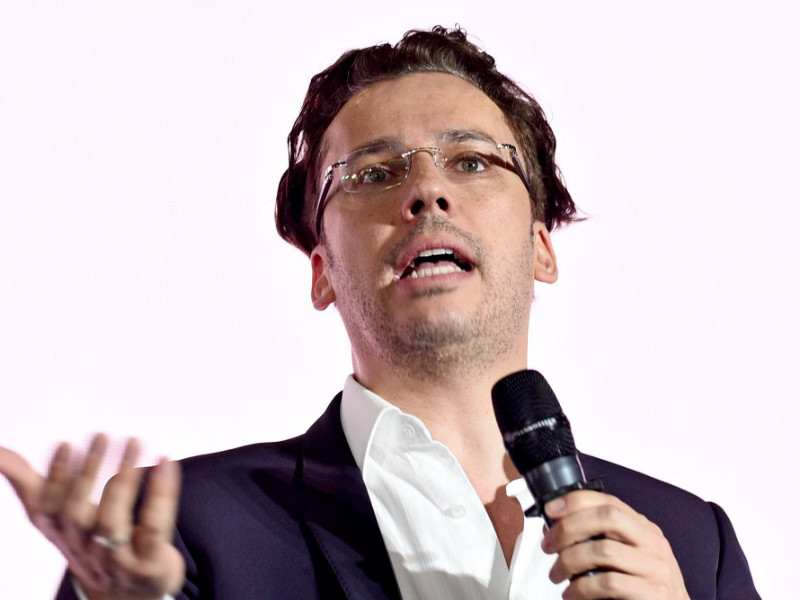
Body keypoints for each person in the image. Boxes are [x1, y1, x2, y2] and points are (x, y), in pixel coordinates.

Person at [0, 26, 759, 599]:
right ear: (322, 272)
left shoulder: (695, 546)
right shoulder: (181, 531)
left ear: (541, 248)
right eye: (372, 173)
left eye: (472, 161)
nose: (426, 192)